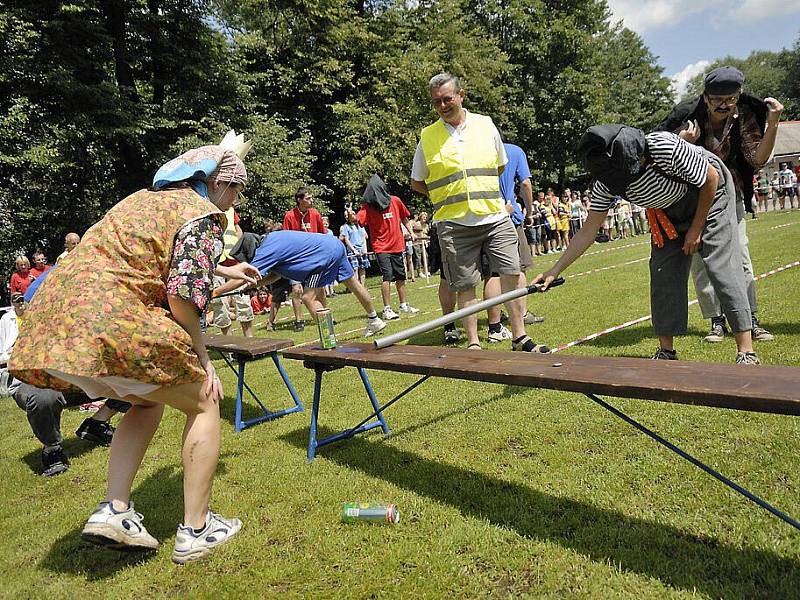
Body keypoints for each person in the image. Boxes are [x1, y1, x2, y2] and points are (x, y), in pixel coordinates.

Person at [9, 142, 260, 562]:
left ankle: (114, 510)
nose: (235, 202)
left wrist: (223, 267)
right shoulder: (204, 215)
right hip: (114, 321)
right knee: (204, 399)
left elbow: (145, 254)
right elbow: (182, 297)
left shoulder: (142, 201)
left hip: (58, 317)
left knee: (146, 402)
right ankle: (197, 529)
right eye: (236, 192)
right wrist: (203, 357)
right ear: (218, 183)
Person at [535, 124, 759, 365]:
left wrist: (696, 227)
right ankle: (667, 352)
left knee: (720, 266)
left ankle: (746, 351)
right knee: (662, 274)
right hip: (667, 213)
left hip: (710, 197)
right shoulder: (607, 182)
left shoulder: (664, 147)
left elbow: (711, 179)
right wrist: (554, 270)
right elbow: (588, 231)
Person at [410, 72, 548, 353]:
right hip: (454, 223)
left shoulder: (485, 125)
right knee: (465, 284)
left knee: (511, 273)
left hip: (494, 217)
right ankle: (473, 342)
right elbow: (417, 181)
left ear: (461, 95)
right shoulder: (427, 136)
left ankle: (519, 336)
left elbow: (498, 166)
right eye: (437, 102)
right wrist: (446, 198)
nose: (443, 105)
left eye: (448, 98)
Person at [656, 66, 781, 344]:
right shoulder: (688, 118)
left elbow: (757, 159)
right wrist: (681, 142)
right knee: (701, 260)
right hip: (694, 199)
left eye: (731, 99)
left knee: (741, 256)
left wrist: (773, 123)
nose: (725, 106)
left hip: (731, 194)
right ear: (705, 98)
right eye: (718, 100)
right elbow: (663, 154)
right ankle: (716, 320)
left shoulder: (745, 116)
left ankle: (749, 318)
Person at [214, 230, 388, 337]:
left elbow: (239, 276)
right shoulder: (273, 240)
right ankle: (374, 319)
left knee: (307, 297)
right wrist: (253, 285)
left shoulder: (264, 250)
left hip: (322, 257)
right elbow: (275, 276)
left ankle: (330, 341)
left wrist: (215, 292)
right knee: (353, 284)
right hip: (334, 245)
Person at [358, 174, 419, 319]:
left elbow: (404, 218)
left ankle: (404, 305)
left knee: (401, 276)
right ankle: (387, 309)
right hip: (381, 247)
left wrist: (411, 232)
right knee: (387, 277)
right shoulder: (368, 207)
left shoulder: (395, 201)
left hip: (397, 245)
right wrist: (351, 216)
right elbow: (358, 220)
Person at [283, 187, 327, 330]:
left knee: (319, 288)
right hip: (296, 259)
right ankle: (299, 320)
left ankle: (325, 314)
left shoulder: (315, 214)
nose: (311, 201)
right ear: (299, 200)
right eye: (308, 198)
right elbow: (287, 238)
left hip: (314, 259)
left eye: (311, 198)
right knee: (296, 290)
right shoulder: (290, 216)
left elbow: (323, 234)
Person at [340, 209, 370, 286]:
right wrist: (354, 250)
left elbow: (364, 236)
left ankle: (362, 286)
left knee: (362, 267)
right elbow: (346, 239)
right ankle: (357, 287)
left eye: (353, 213)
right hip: (353, 251)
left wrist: (365, 249)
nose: (352, 215)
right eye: (349, 214)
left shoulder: (359, 225)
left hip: (361, 249)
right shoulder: (346, 227)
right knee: (355, 268)